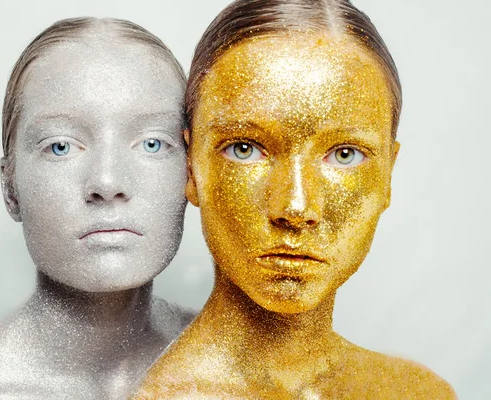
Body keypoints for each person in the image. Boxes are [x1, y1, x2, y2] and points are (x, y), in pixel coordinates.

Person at [134, 0, 456, 398]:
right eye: (245, 148)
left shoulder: (421, 393)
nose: (295, 208)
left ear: (388, 174)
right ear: (190, 168)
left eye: (344, 154)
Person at [0, 17, 193, 399]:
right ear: (10, 189)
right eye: (60, 146)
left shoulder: (259, 372)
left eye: (152, 144)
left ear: (193, 173)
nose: (107, 184)